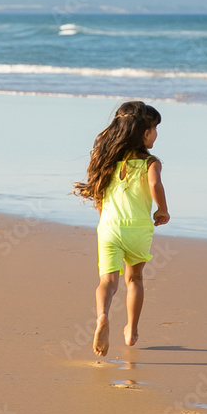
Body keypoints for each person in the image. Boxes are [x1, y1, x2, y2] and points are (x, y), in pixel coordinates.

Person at [74, 101, 170, 357]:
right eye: (155, 129)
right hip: (138, 229)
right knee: (134, 279)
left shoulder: (105, 160)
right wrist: (162, 210)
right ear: (143, 133)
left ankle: (103, 315)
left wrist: (105, 218)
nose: (157, 134)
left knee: (108, 280)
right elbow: (155, 185)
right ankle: (131, 330)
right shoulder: (151, 163)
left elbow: (99, 195)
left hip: (108, 227)